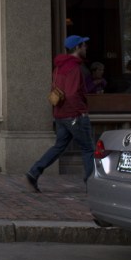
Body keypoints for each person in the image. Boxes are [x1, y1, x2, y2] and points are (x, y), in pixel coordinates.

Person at [25, 35, 95, 193]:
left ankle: (34, 172)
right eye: (84, 45)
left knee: (59, 146)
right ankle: (92, 184)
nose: (86, 48)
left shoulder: (59, 67)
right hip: (74, 115)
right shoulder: (74, 68)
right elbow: (71, 94)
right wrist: (80, 113)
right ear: (77, 48)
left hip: (60, 114)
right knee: (88, 149)